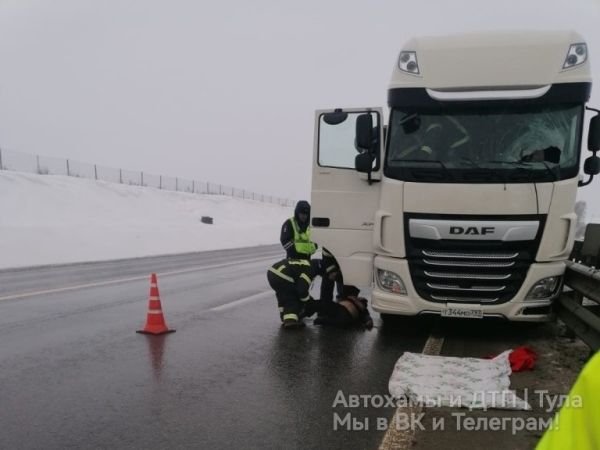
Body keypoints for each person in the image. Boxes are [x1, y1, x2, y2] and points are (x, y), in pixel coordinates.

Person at [267, 257, 339, 329]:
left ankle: (284, 316)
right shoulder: (311, 269)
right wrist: (309, 302)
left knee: (283, 296)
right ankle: (290, 321)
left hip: (272, 272)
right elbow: (302, 290)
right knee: (293, 297)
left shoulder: (310, 264)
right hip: (281, 274)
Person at [306, 286, 374, 330]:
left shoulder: (357, 304)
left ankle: (305, 309)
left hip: (342, 312)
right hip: (344, 319)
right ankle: (308, 309)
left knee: (321, 305)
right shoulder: (362, 309)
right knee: (319, 320)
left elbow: (368, 319)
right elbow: (368, 319)